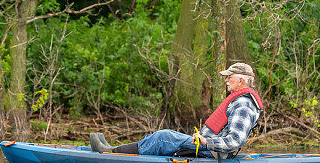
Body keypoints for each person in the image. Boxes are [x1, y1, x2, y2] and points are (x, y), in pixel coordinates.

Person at [90, 62, 263, 157]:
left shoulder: (244, 105)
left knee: (164, 137)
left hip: (214, 152)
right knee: (155, 138)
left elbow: (235, 141)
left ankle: (110, 153)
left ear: (241, 81)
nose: (226, 80)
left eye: (229, 77)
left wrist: (206, 142)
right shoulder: (240, 101)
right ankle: (114, 150)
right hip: (209, 147)